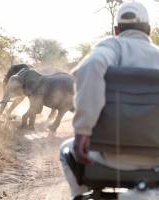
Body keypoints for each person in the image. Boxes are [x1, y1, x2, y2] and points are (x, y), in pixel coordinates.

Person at [59, 1, 159, 199]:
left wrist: (82, 131)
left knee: (64, 150)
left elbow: (92, 65)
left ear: (117, 29)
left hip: (108, 158)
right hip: (156, 162)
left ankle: (79, 195)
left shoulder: (112, 47)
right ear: (148, 30)